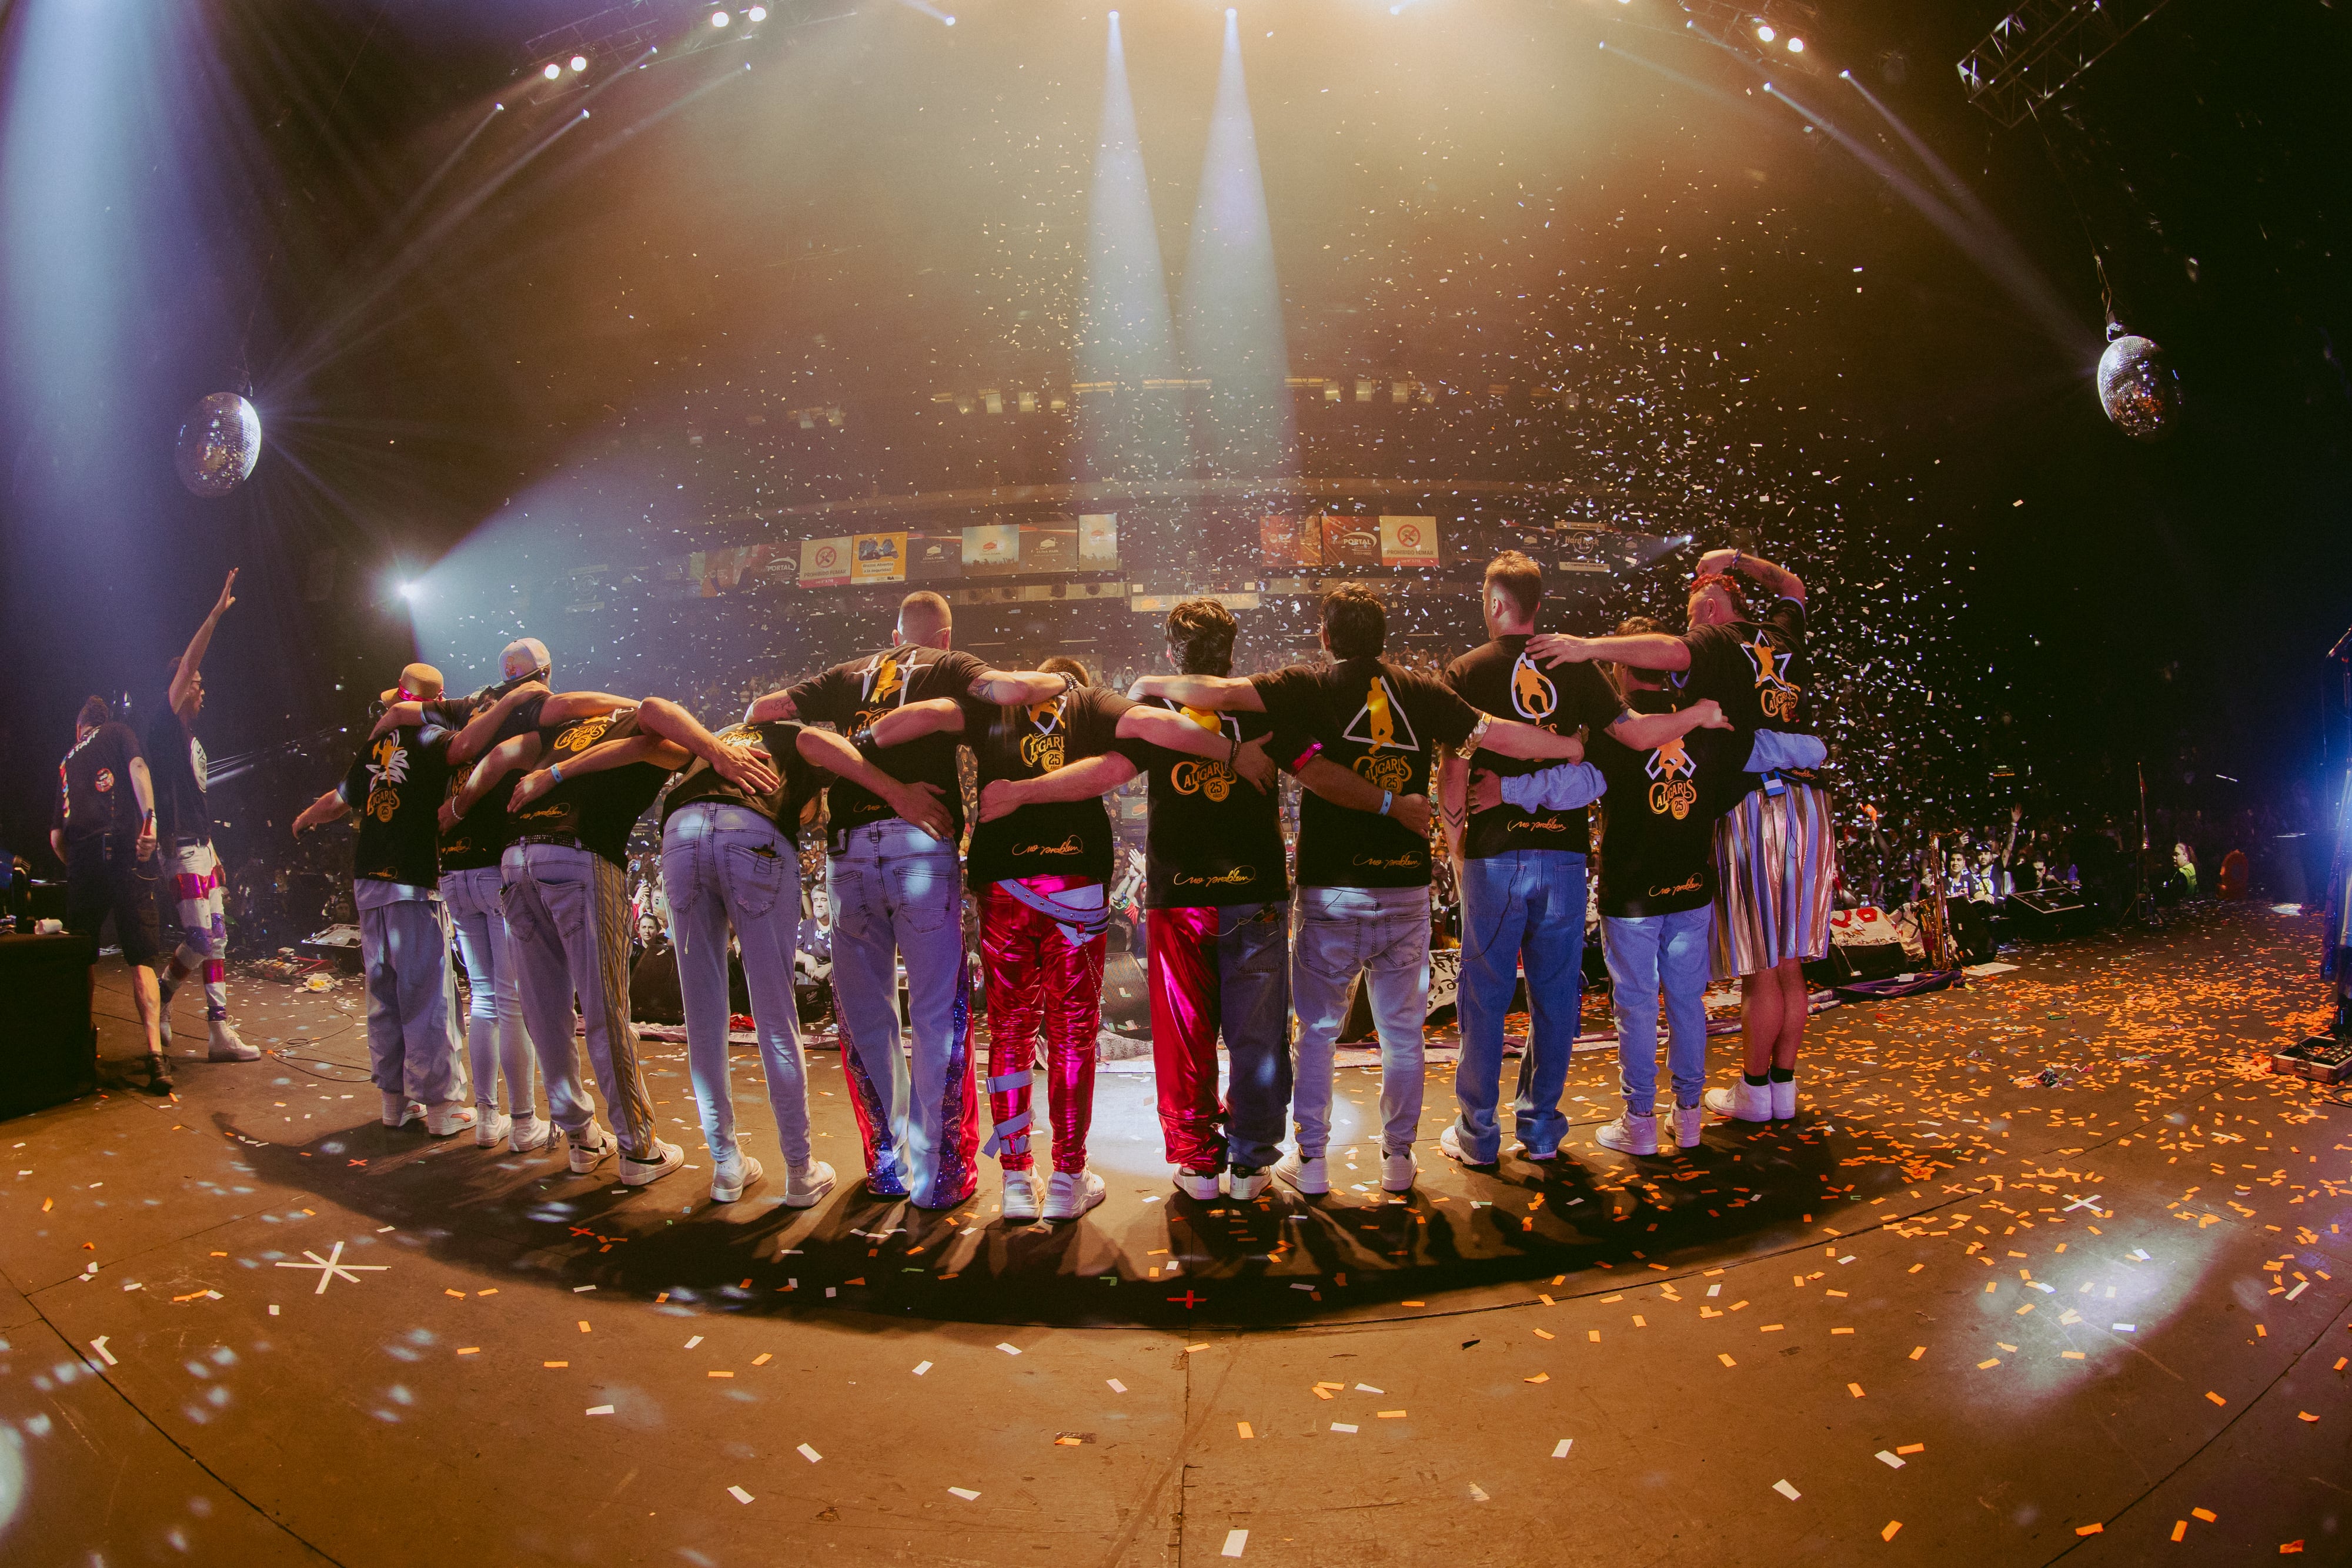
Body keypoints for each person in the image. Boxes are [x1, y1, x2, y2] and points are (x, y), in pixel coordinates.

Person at [1131, 584, 1587, 1196]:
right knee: (1397, 1035)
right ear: (1383, 636)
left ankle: (1302, 1164)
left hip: (1322, 891)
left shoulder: (1306, 686)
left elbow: (1255, 726)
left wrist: (1145, 687)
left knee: (1310, 1033)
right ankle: (1389, 1161)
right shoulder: (1419, 690)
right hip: (1394, 889)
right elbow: (1497, 734)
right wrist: (1569, 745)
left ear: (1325, 636)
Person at [871, 653, 1278, 1221]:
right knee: (1071, 1034)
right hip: (1074, 882)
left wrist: (868, 733)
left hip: (1003, 882)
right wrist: (1232, 752)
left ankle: (1016, 1181)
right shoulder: (1089, 701)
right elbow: (1157, 726)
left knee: (1010, 1030)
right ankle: (1066, 1177)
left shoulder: (998, 701)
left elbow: (908, 721)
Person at [523, 694, 950, 1205]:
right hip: (753, 836)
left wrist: (557, 773)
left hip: (680, 835)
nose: (814, 820)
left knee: (703, 1017)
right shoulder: (794, 737)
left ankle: (726, 1166)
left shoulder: (716, 741)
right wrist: (895, 791)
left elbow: (645, 727)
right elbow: (820, 744)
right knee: (774, 1014)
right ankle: (799, 1170)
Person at [1080, 600, 1434, 1202]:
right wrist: (1392, 804)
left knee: (1185, 1039)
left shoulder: (1153, 710)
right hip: (1256, 894)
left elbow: (1109, 770)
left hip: (1180, 899)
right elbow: (1316, 770)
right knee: (1258, 1036)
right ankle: (1250, 1163)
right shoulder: (1268, 712)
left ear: (1173, 656)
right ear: (1232, 653)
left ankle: (1197, 1166)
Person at [744, 591, 1082, 1209]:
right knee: (935, 1017)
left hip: (847, 855)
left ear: (893, 632)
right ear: (944, 637)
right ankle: (942, 1176)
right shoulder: (950, 667)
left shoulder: (846, 676)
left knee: (866, 1019)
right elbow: (1008, 691)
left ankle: (887, 1168)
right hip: (918, 846)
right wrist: (1061, 674)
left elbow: (766, 710)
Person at [1435, 556, 1726, 1168]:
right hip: (1565, 859)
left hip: (1496, 858)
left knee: (1485, 999)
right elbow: (1637, 737)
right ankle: (1540, 1133)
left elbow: (1454, 769)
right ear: (1537, 605)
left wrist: (1458, 847)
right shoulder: (1580, 669)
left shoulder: (1465, 670)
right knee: (1555, 999)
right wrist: (1699, 715)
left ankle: (1479, 1136)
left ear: (1493, 603)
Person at [1531, 549, 1833, 1124]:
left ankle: (1750, 1092)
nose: (1689, 629)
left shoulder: (1716, 644)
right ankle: (1780, 1090)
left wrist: (1587, 647)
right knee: (1791, 961)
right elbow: (1792, 583)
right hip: (1811, 803)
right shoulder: (1780, 633)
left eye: (1695, 614)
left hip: (1758, 803)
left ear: (1715, 610)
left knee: (1762, 967)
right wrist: (1739, 559)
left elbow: (1670, 652)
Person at [443, 687, 767, 1187]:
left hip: (516, 857)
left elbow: (501, 755)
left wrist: (460, 807)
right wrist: (715, 751)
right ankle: (638, 1150)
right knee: (604, 1010)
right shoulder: (666, 735)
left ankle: (579, 1137)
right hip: (578, 854)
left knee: (544, 1012)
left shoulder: (559, 732)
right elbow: (650, 723)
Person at [289, 664, 473, 1134]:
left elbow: (338, 799)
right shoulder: (433, 739)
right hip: (412, 880)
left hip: (368, 881)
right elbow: (470, 749)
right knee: (427, 995)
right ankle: (440, 1109)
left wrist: (306, 816)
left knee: (384, 994)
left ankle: (394, 1104)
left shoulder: (375, 747)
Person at [149, 569, 259, 1062]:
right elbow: (190, 659)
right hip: (180, 847)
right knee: (200, 935)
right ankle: (162, 996)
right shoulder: (166, 727)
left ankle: (219, 1031)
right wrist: (214, 615)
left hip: (201, 845)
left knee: (218, 935)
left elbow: (199, 802)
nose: (202, 688)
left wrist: (214, 850)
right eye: (196, 682)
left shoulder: (194, 740)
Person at [52, 695, 170, 1092]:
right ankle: (156, 1058)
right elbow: (138, 767)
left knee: (83, 953)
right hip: (124, 847)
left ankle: (80, 1053)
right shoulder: (120, 731)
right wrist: (149, 820)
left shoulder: (68, 759)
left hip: (83, 853)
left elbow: (55, 837)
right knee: (141, 955)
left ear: (80, 727)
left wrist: (77, 866)